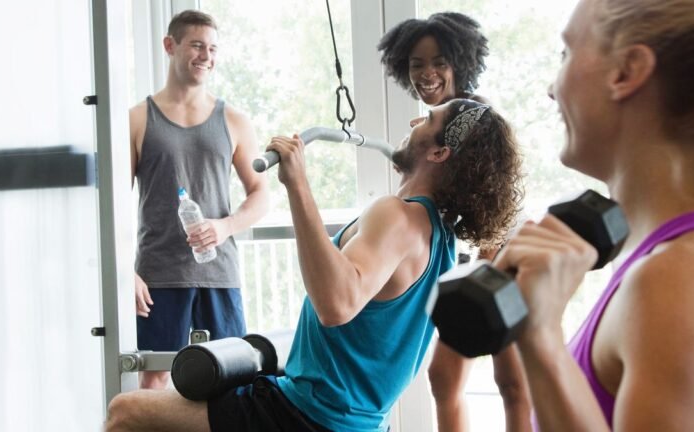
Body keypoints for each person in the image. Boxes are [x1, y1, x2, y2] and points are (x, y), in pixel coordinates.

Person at [105, 97, 523, 431]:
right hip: (351, 421)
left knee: (127, 413)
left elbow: (336, 304)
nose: (414, 123)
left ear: (439, 151)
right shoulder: (441, 238)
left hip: (306, 416)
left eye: (427, 120)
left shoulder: (397, 215)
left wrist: (297, 183)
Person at [490, 0, 694, 430]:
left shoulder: (682, 276)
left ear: (625, 71)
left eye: (565, 54)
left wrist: (543, 336)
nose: (551, 89)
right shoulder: (664, 259)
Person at [379, 12, 530, 431]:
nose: (427, 74)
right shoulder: (437, 126)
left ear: (460, 62)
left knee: (511, 382)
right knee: (444, 378)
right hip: (470, 267)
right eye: (416, 64)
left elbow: (494, 210)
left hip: (497, 260)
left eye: (439, 62)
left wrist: (485, 268)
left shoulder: (469, 120)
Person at [128, 10, 270, 390]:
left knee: (232, 378)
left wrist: (224, 227)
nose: (206, 55)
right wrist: (126, 272)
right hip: (158, 275)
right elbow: (108, 208)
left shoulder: (235, 120)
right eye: (196, 45)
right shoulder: (138, 119)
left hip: (219, 274)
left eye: (212, 48)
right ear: (170, 46)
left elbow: (260, 195)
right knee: (155, 377)